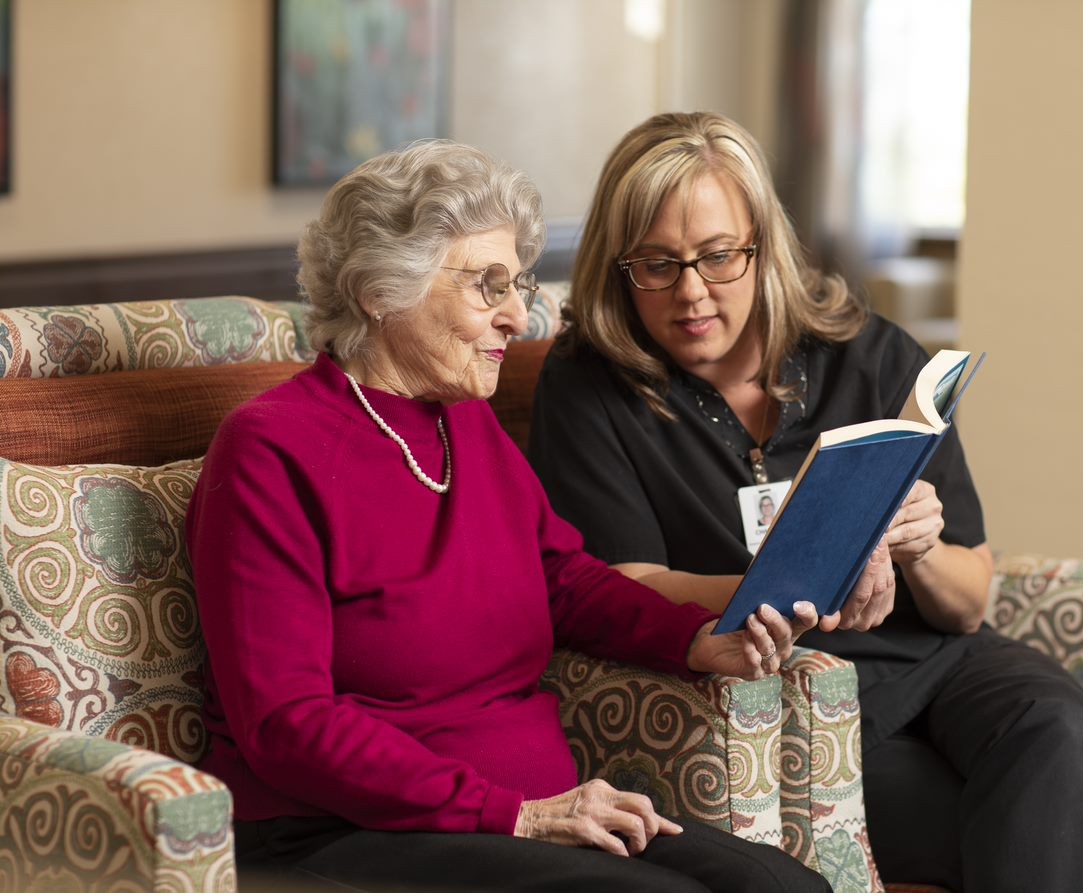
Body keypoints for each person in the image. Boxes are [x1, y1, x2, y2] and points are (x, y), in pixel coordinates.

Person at [528, 112, 1083, 892]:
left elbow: (968, 603)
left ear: (762, 246)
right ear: (618, 267)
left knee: (1062, 737)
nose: (690, 292)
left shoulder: (868, 351)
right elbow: (621, 580)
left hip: (946, 662)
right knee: (1057, 815)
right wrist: (794, 580)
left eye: (718, 256)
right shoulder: (590, 386)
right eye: (656, 264)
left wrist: (919, 549)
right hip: (806, 706)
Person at [184, 140, 832, 893]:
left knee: (787, 887)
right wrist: (514, 812)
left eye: (516, 283)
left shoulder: (462, 423)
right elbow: (286, 723)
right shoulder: (271, 449)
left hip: (526, 818)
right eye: (486, 285)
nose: (517, 316)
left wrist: (693, 641)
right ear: (378, 289)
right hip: (344, 828)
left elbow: (564, 581)